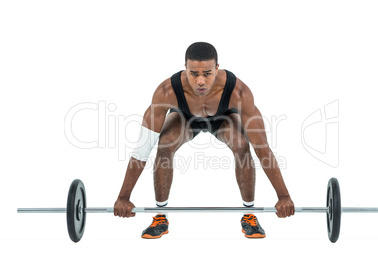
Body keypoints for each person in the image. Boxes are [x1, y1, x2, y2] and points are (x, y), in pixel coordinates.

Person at [114, 42, 295, 239]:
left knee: (242, 144)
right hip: (184, 118)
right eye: (194, 74)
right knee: (164, 144)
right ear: (186, 68)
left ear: (217, 69)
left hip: (223, 118)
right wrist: (123, 197)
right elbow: (142, 150)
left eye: (207, 73)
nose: (200, 81)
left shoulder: (239, 92)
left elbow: (263, 149)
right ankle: (160, 217)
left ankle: (249, 215)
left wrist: (283, 196)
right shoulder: (166, 92)